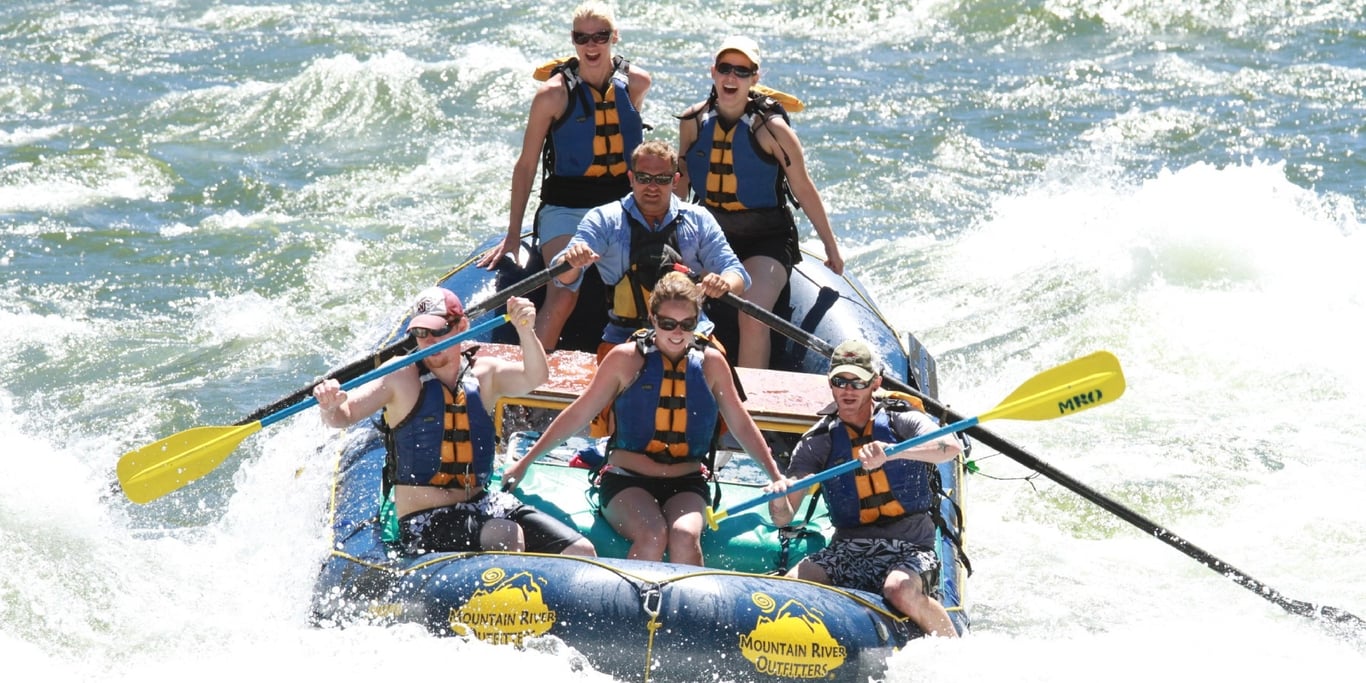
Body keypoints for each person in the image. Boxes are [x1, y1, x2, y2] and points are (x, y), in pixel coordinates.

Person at [502, 271, 784, 565]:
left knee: (685, 535)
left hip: (687, 482)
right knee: (652, 534)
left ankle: (684, 596)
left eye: (687, 324)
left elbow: (740, 424)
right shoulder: (625, 359)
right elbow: (579, 413)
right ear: (652, 318)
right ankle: (632, 597)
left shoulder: (712, 363)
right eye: (668, 324)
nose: (677, 333)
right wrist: (525, 462)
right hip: (626, 479)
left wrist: (775, 476)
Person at [312, 287, 595, 558]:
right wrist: (330, 404)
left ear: (462, 327)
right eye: (421, 333)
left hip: (483, 504)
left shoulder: (484, 373)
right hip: (423, 520)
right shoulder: (399, 375)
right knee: (506, 534)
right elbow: (344, 416)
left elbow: (536, 377)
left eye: (439, 331)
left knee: (581, 550)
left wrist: (525, 330)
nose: (430, 341)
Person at [479, 1, 651, 353]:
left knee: (645, 286)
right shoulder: (552, 95)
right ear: (573, 41)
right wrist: (513, 233)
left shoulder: (637, 83)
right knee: (562, 293)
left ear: (614, 37)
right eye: (582, 38)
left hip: (619, 208)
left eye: (600, 36)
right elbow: (526, 165)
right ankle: (532, 381)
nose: (591, 45)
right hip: (566, 209)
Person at [765, 340, 961, 637]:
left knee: (898, 589)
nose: (848, 390)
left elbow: (950, 447)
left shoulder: (900, 420)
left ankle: (953, 646)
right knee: (793, 585)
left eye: (857, 382)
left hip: (911, 546)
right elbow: (783, 518)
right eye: (840, 382)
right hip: (849, 548)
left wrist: (893, 452)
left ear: (875, 383)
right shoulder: (818, 441)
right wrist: (779, 501)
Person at [677, 36, 844, 369]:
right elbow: (681, 187)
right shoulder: (692, 121)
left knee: (752, 314)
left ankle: (750, 398)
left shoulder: (773, 130)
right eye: (725, 68)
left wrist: (831, 247)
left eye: (742, 71)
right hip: (712, 235)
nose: (731, 77)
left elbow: (803, 188)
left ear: (755, 77)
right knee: (674, 301)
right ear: (713, 72)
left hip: (766, 239)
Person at [547, 138, 751, 353]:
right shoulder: (604, 219)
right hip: (625, 340)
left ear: (675, 180)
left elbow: (737, 274)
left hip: (690, 336)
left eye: (662, 179)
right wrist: (571, 261)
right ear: (631, 179)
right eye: (643, 178)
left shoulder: (699, 219)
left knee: (716, 358)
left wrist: (724, 283)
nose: (652, 187)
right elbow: (562, 277)